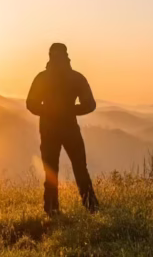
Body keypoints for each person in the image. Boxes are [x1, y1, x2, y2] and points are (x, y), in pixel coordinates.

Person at [26, 43, 99, 215]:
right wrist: (70, 110)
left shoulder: (42, 78)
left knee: (51, 170)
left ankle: (52, 210)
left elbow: (31, 104)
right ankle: (92, 207)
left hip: (48, 129)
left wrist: (49, 111)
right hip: (70, 128)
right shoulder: (76, 78)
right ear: (67, 56)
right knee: (80, 168)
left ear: (49, 56)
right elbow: (90, 105)